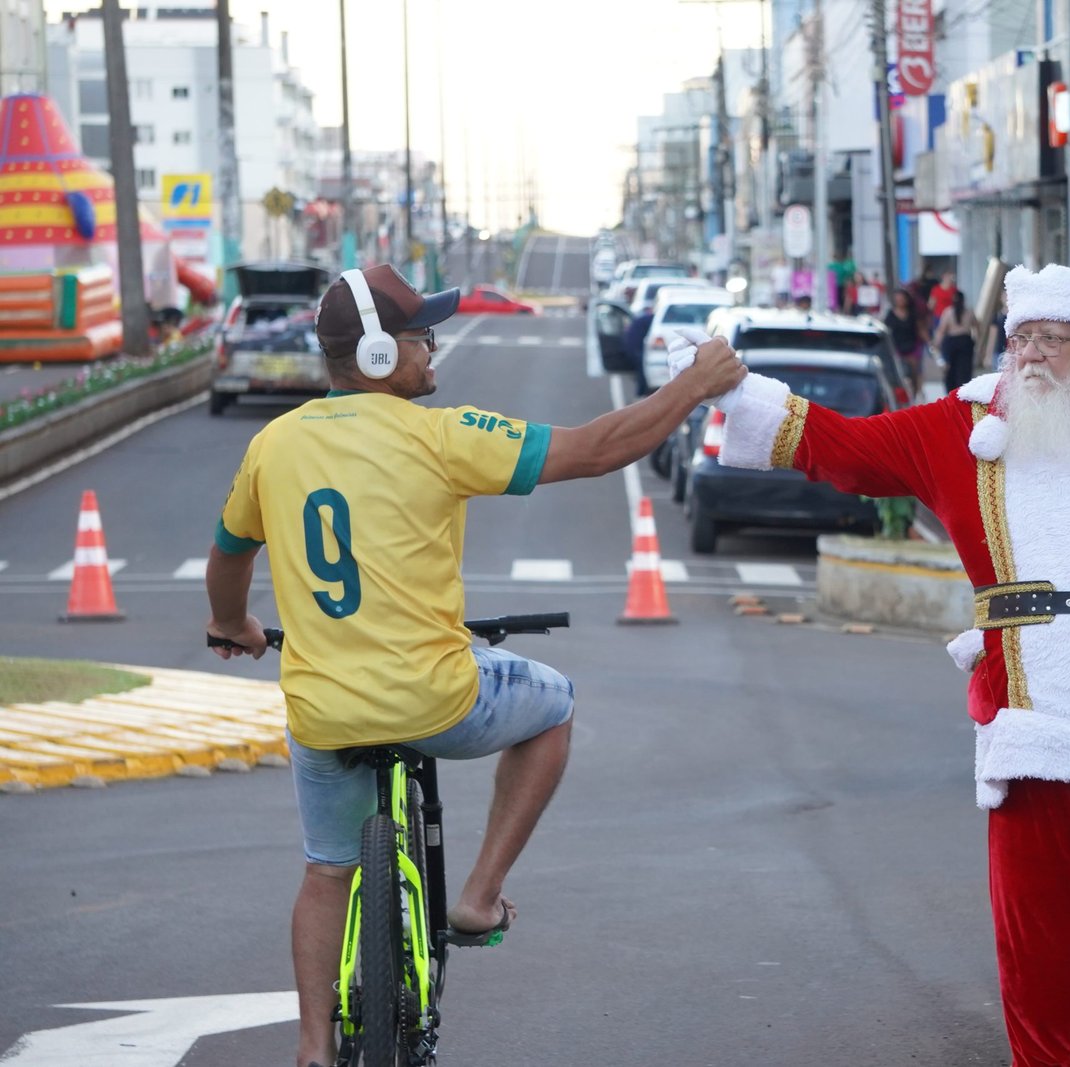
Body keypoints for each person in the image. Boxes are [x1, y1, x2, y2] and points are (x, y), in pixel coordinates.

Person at [671, 264, 1070, 1066]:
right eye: (1019, 338)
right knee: (1042, 989)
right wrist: (734, 390)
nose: (1029, 355)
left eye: (1050, 339)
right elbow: (844, 447)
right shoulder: (966, 425)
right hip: (1031, 750)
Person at [204, 264, 745, 1067]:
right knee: (555, 704)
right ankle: (479, 896)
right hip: (438, 701)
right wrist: (693, 386)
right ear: (381, 354)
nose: (433, 348)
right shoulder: (441, 436)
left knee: (327, 870)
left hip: (322, 714)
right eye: (422, 335)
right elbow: (598, 449)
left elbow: (228, 556)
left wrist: (233, 624)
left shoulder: (271, 446)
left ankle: (314, 1048)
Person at [930, 286, 979, 394]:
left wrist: (936, 343)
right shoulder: (969, 312)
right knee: (965, 370)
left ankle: (951, 393)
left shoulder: (948, 312)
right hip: (965, 342)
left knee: (950, 370)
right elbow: (976, 327)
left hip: (951, 342)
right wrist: (975, 340)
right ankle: (964, 393)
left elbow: (942, 330)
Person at [882, 287, 928, 399]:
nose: (900, 301)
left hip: (912, 347)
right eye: (897, 299)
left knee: (914, 372)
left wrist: (930, 342)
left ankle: (915, 393)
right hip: (896, 348)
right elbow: (885, 330)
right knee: (899, 373)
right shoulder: (890, 315)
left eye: (902, 298)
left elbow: (920, 329)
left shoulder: (912, 314)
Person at [623, 301, 655, 396]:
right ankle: (641, 392)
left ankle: (641, 393)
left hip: (633, 348)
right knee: (642, 373)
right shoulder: (650, 319)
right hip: (637, 349)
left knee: (640, 372)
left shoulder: (640, 319)